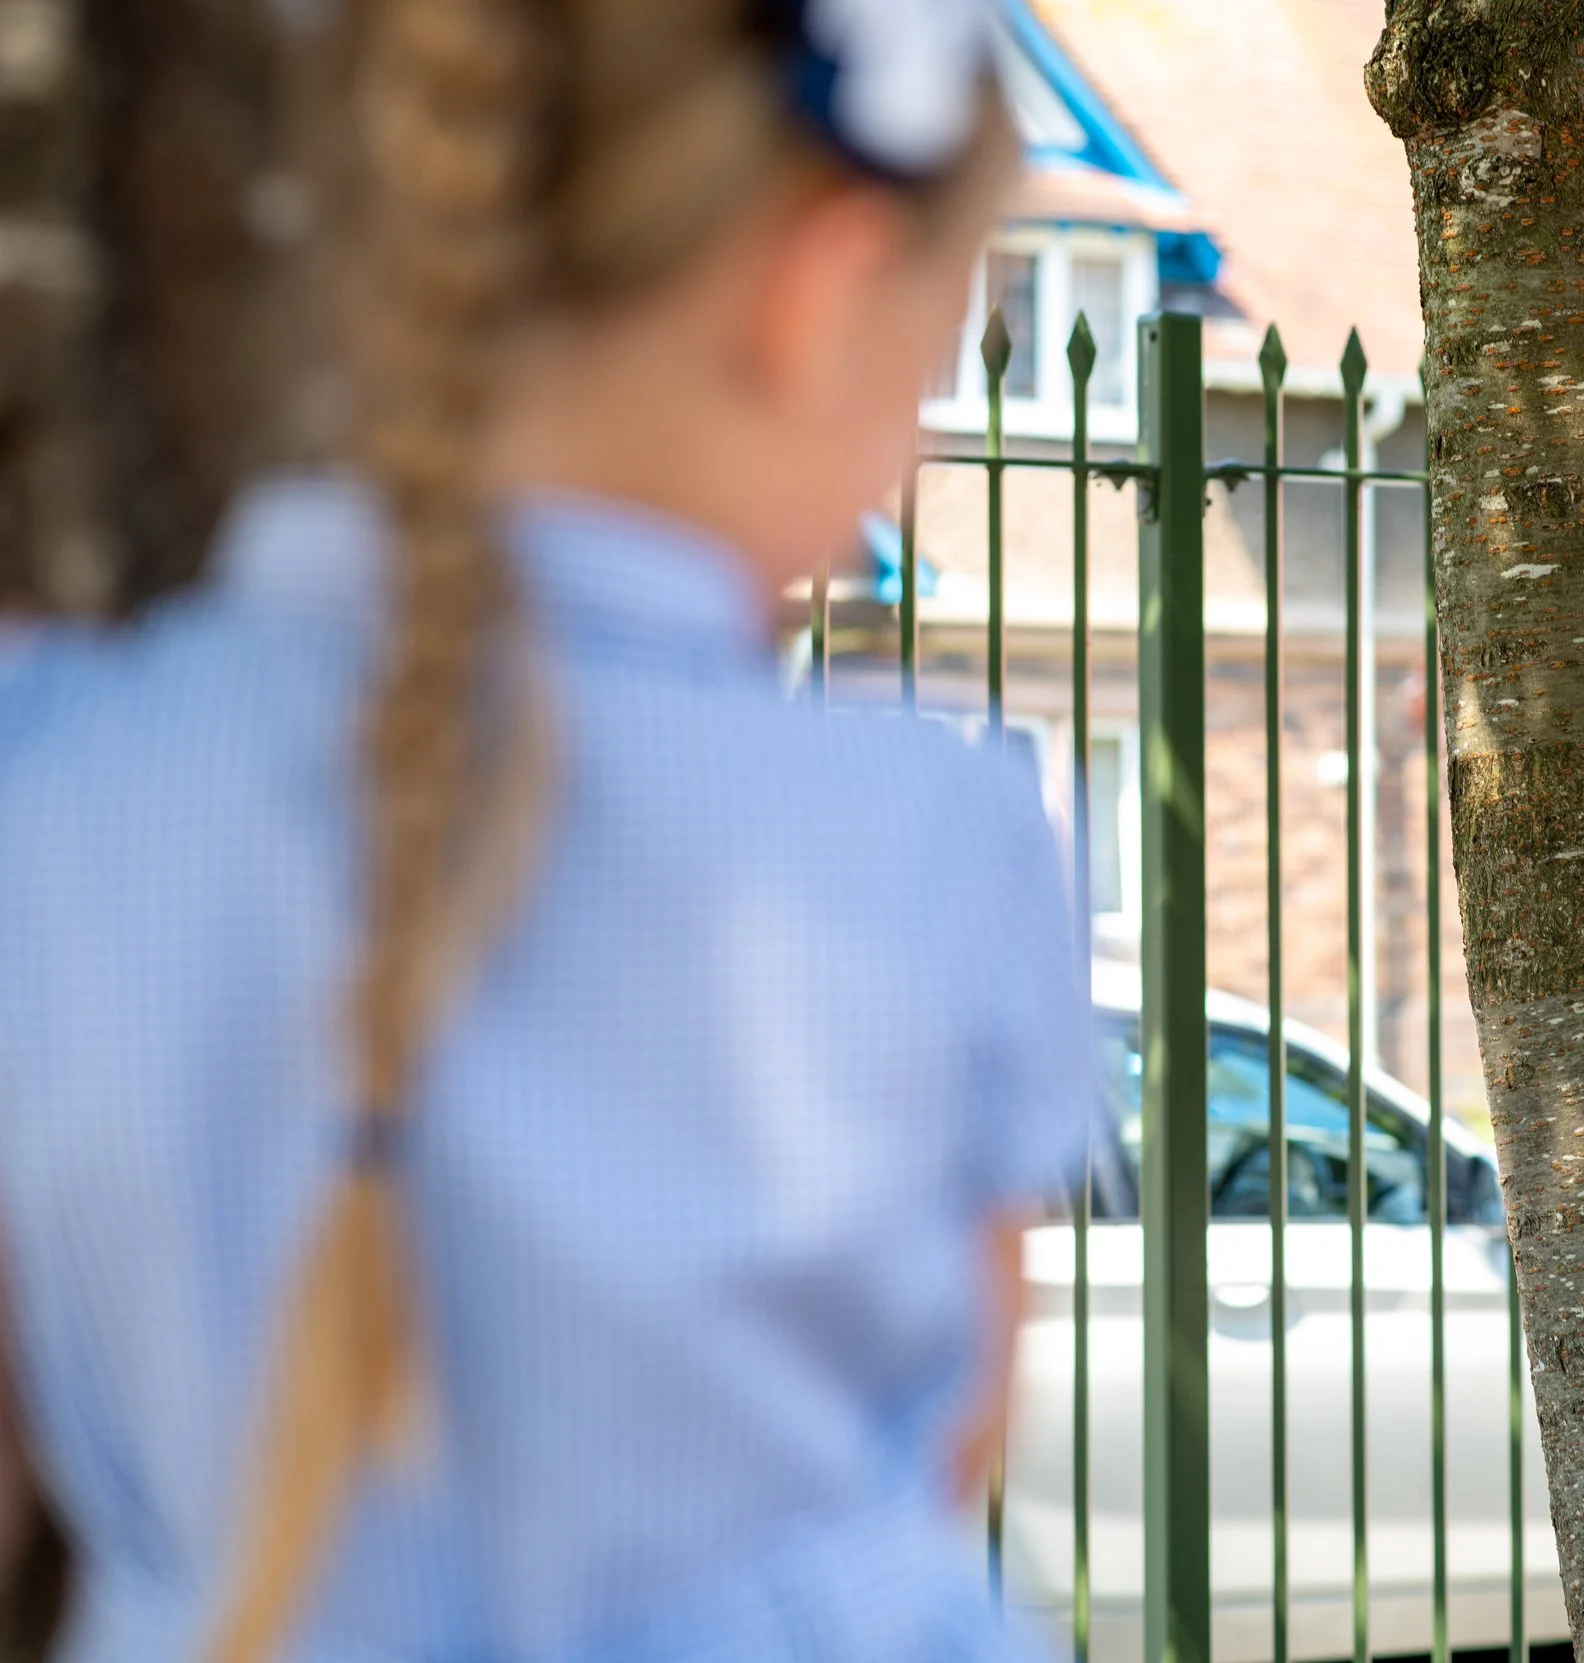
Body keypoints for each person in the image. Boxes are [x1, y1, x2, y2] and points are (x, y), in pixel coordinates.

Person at [0, 2, 1089, 1659]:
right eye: (941, 344)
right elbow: (948, 1442)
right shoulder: (940, 838)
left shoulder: (51, 762)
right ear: (818, 290)